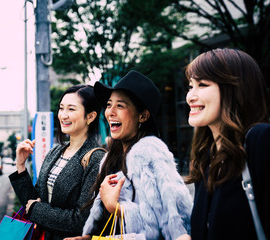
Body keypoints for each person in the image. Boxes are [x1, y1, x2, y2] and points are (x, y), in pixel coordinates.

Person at [185, 48, 270, 240]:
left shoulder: (264, 140)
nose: (190, 96)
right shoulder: (209, 157)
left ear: (234, 88)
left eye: (202, 84)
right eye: (190, 86)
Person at [65, 70, 193, 240]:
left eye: (120, 105)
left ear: (143, 116)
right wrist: (88, 236)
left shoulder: (151, 155)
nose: (110, 112)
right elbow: (108, 222)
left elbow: (172, 225)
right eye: (109, 104)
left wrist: (116, 208)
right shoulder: (110, 158)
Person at [9, 85, 106, 240]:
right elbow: (32, 200)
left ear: (90, 116)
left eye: (71, 109)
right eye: (61, 108)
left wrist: (37, 209)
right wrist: (20, 166)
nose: (63, 115)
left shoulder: (96, 159)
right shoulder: (55, 152)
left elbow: (81, 220)